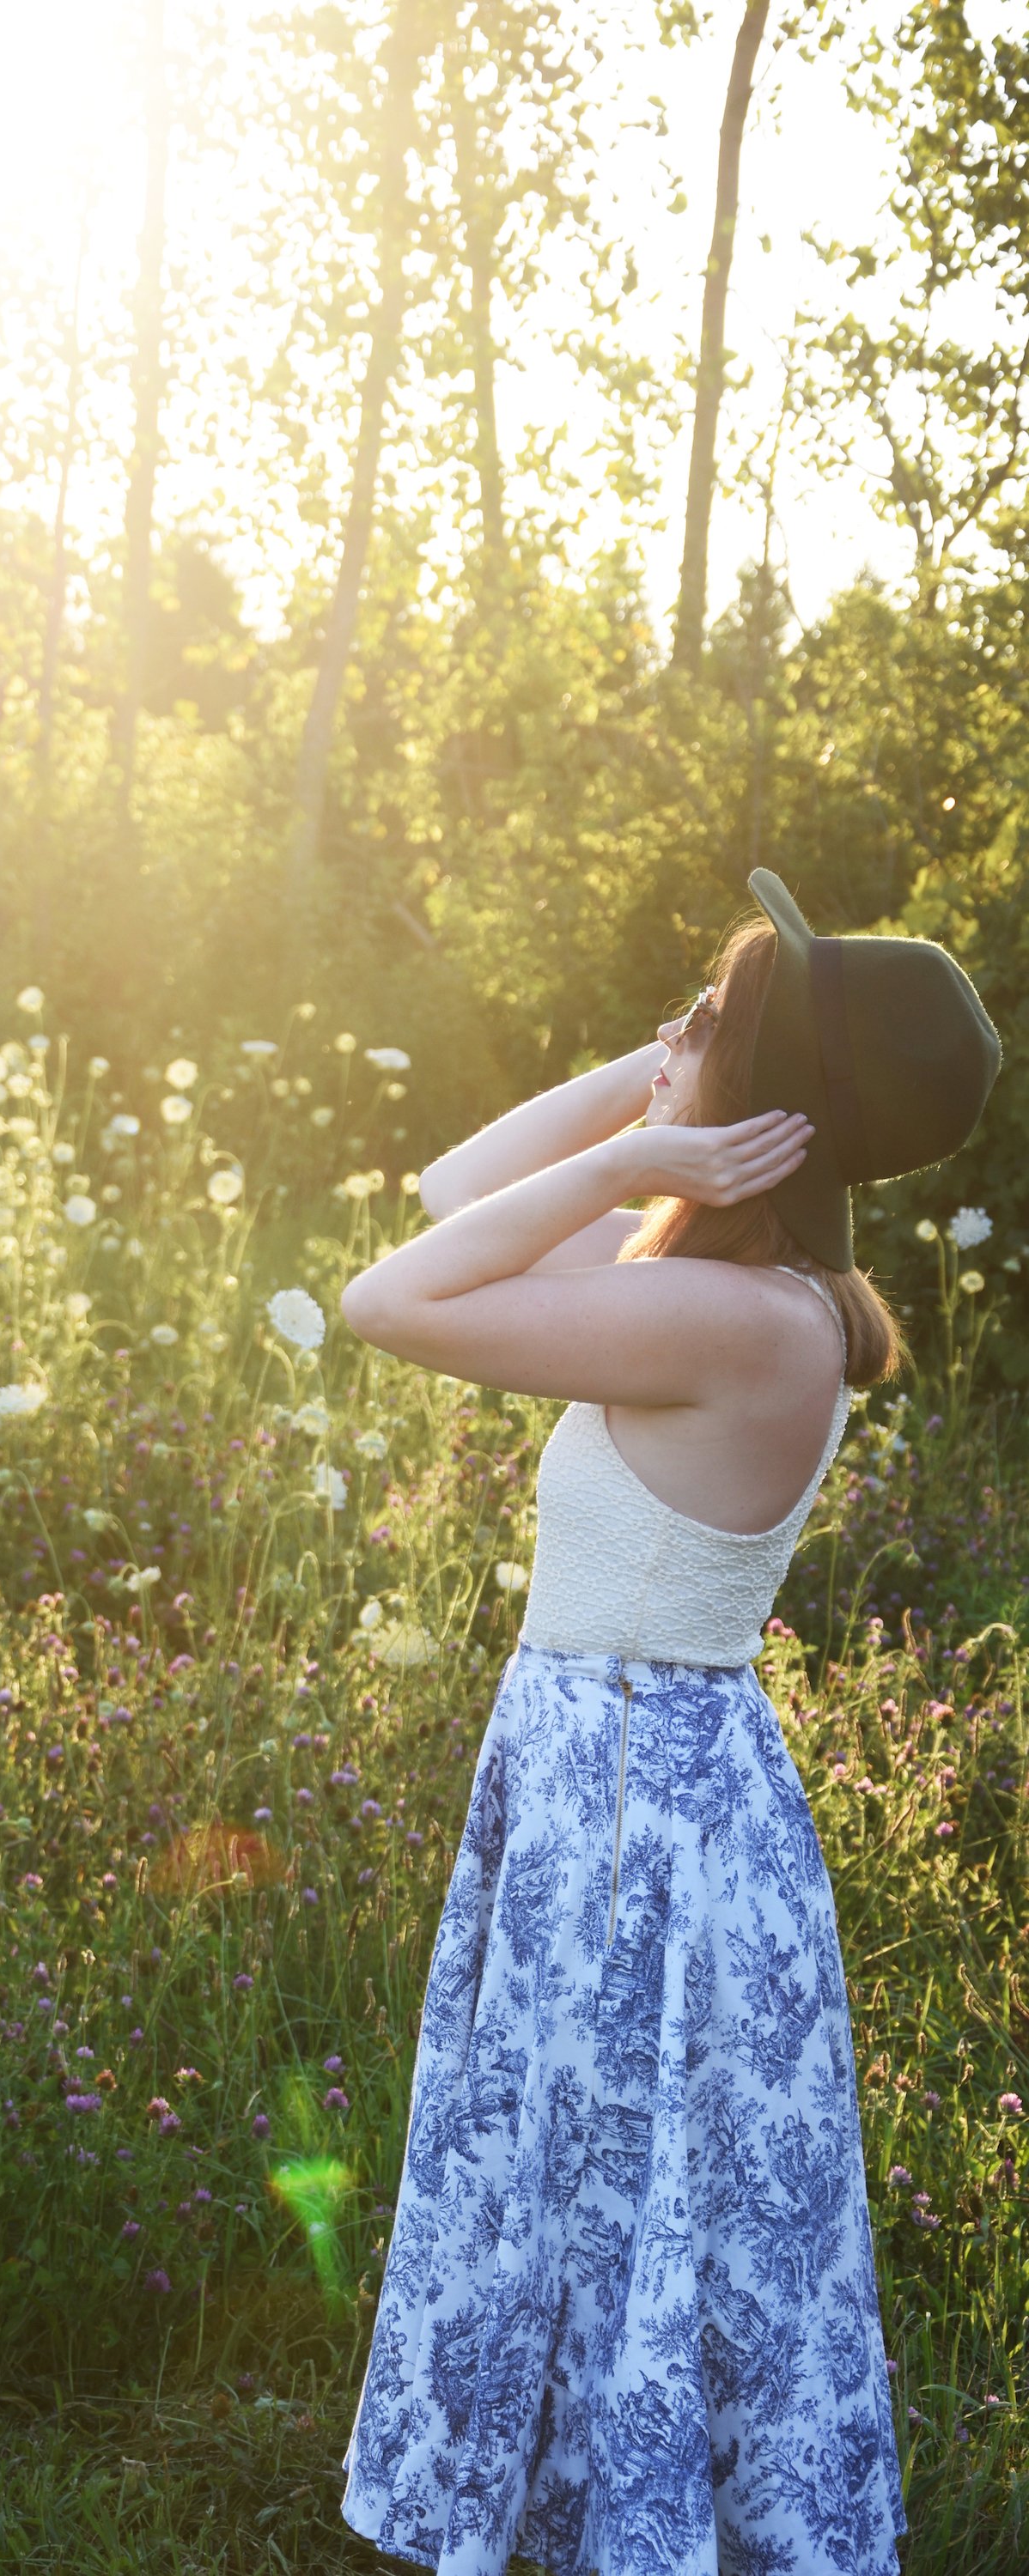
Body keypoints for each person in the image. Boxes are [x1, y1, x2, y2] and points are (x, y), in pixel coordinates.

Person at [335, 869, 1000, 2576]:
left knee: (638, 2191)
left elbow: (387, 1297)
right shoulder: (747, 1299)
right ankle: (587, 2520)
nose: (679, 1022)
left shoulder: (729, 1322)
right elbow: (455, 1194)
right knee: (600, 2179)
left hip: (633, 1794)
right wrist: (656, 1091)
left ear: (777, 1106)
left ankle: (630, 2531)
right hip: (623, 1774)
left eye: (717, 1014)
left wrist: (646, 1154)